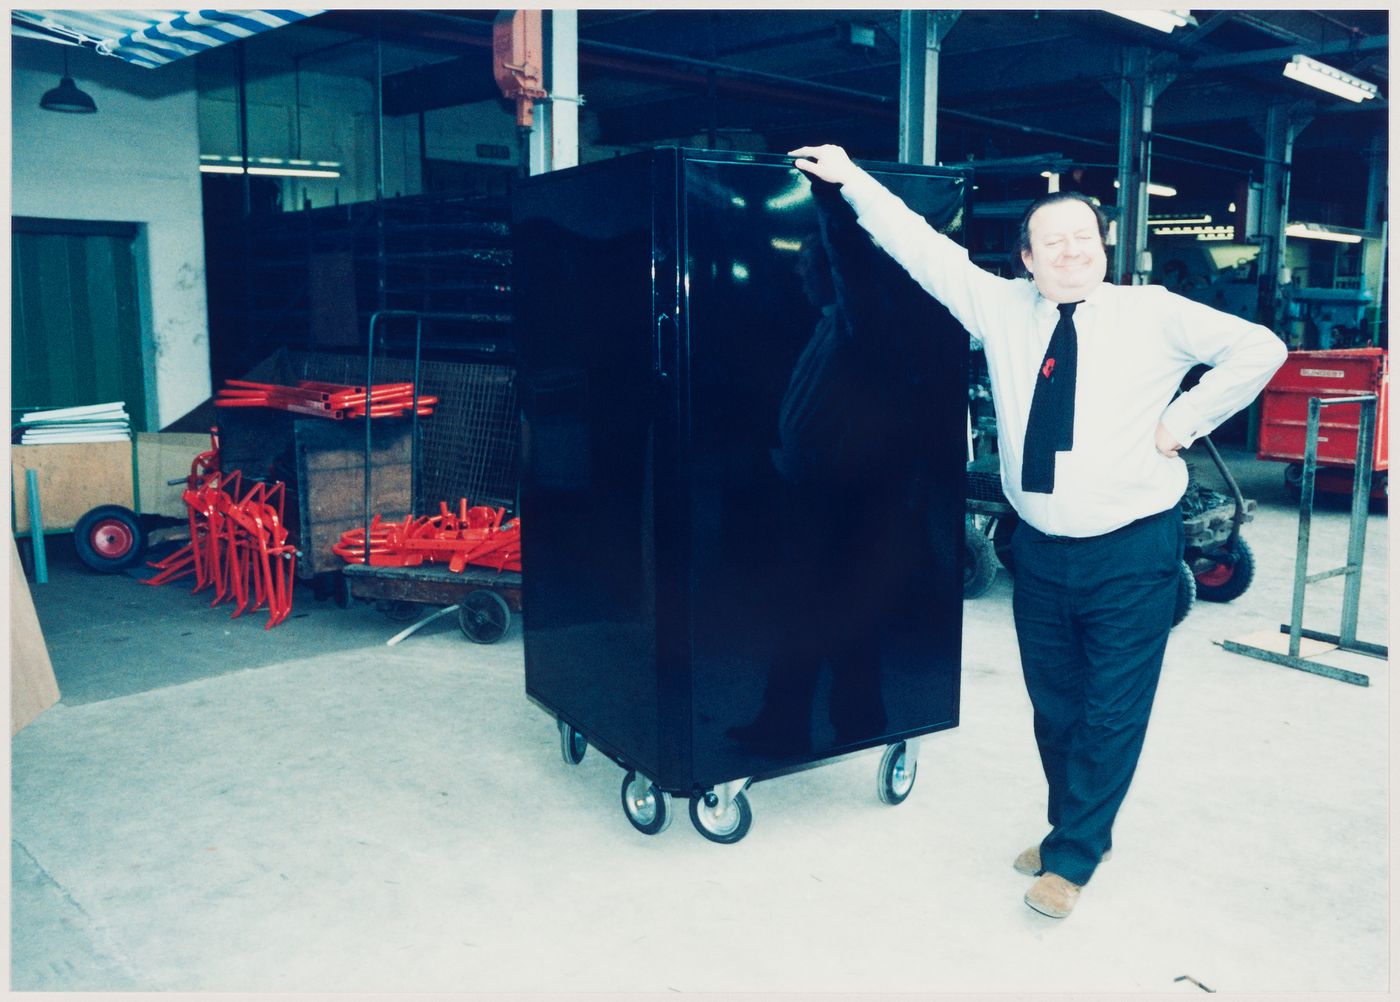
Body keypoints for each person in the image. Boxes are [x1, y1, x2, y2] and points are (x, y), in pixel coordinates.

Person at [789, 144, 1287, 919]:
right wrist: (850, 177)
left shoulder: (1152, 312)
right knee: (1055, 707)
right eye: (1052, 242)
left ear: (1104, 248)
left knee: (1112, 709)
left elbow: (1261, 348)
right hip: (1042, 551)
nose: (1071, 252)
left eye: (1084, 239)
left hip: (1132, 550)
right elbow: (920, 246)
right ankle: (1073, 826)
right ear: (1027, 259)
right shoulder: (1000, 310)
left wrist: (1182, 422)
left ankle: (1075, 856)